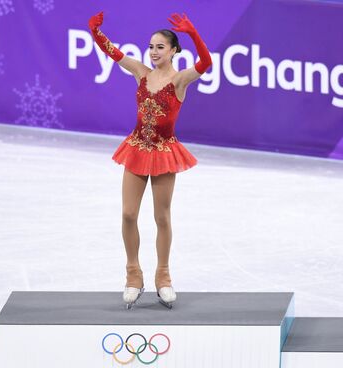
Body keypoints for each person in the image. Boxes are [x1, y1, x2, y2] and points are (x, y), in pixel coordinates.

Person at [88, 12, 212, 309]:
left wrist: (194, 33)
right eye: (151, 46)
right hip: (136, 147)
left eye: (160, 47)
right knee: (129, 214)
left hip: (164, 152)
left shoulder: (180, 80)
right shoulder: (141, 73)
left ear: (172, 51)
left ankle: (163, 275)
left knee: (161, 217)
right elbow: (112, 52)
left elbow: (206, 64)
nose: (153, 52)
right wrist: (95, 31)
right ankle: (133, 274)